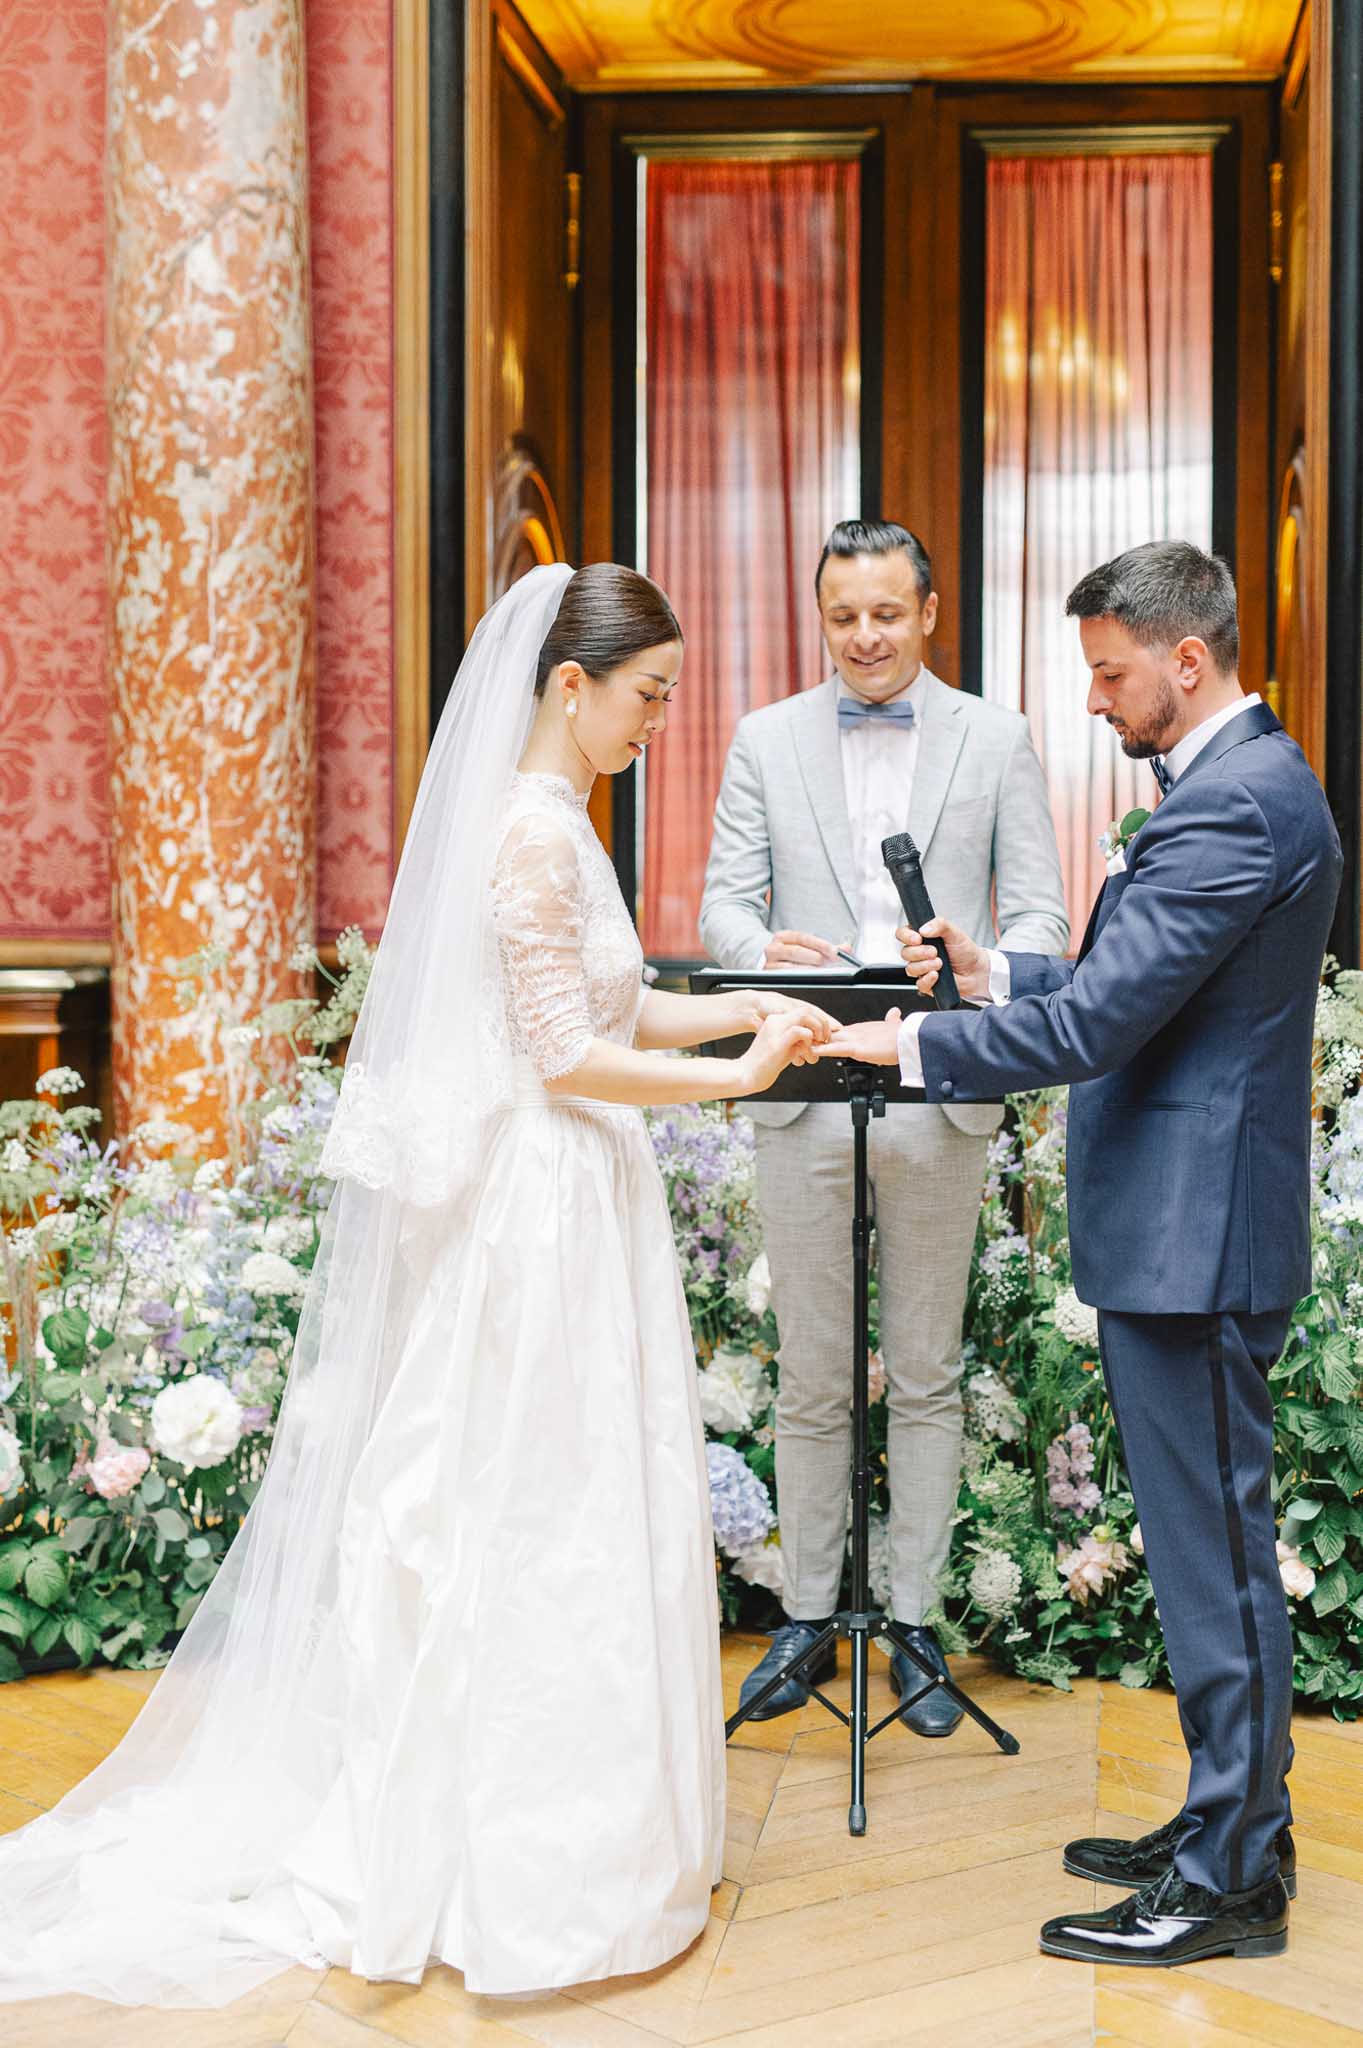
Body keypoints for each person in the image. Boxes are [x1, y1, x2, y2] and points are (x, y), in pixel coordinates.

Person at [0, 563, 835, 2009]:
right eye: (645, 696)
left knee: (573, 1496)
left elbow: (614, 1002)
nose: (657, 723)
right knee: (527, 1501)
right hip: (544, 1206)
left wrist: (743, 1003)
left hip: (587, 1191)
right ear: (568, 687)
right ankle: (506, 1866)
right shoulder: (525, 834)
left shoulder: (563, 824)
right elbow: (562, 1060)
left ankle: (594, 1848)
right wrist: (735, 1078)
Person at [820, 540, 1341, 1967]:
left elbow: (1103, 1030)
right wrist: (993, 975)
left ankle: (1231, 1878)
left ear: (1187, 660)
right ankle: (1229, 1822)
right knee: (1200, 1558)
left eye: (1110, 676)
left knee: (1216, 1563)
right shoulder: (1228, 792)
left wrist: (914, 1039)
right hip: (1176, 1233)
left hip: (1197, 1242)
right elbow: (1128, 986)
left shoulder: (1237, 802)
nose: (1098, 704)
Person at [699, 519, 1068, 1733]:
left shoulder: (999, 737)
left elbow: (1045, 929)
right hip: (804, 1080)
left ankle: (911, 1622)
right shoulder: (763, 738)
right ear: (821, 616)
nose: (864, 636)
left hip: (939, 1078)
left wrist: (979, 959)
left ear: (928, 610)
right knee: (810, 1371)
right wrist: (761, 952)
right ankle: (807, 1612)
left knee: (923, 1369)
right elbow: (718, 906)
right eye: (842, 615)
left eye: (886, 613)